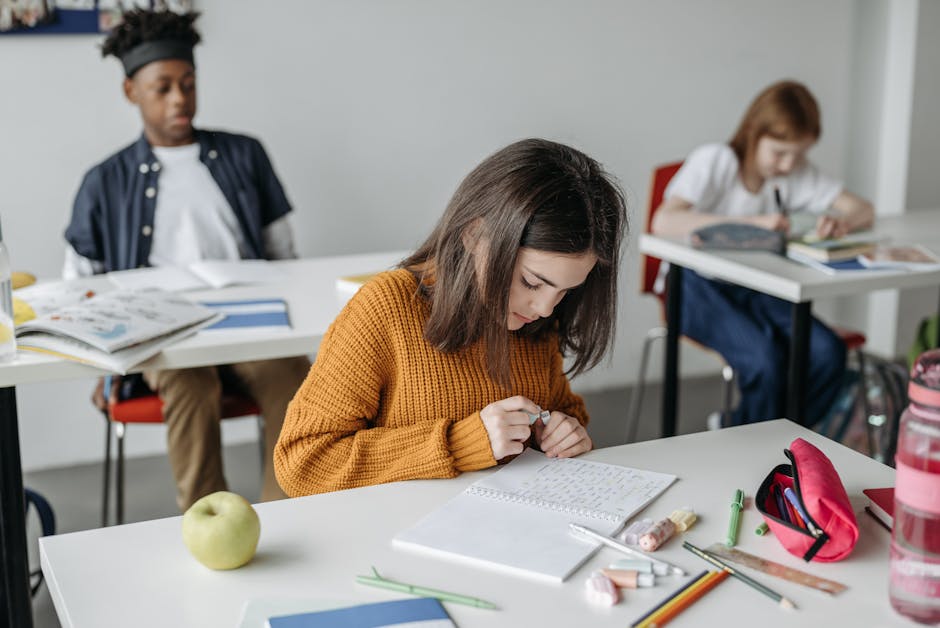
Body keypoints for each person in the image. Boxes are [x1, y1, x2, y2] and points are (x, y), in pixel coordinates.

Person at [275, 138, 627, 496]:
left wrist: (564, 433)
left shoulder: (534, 318)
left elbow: (559, 410)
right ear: (476, 236)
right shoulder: (387, 306)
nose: (546, 308)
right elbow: (303, 463)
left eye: (565, 291)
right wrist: (462, 443)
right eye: (531, 282)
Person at [62, 8, 310, 510]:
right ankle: (208, 521)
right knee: (190, 384)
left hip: (247, 323)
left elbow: (285, 257)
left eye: (189, 84)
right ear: (132, 91)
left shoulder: (246, 154)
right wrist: (100, 370)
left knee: (291, 379)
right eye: (163, 87)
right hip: (160, 334)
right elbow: (78, 286)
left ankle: (288, 511)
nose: (180, 98)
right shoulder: (103, 181)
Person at [651, 79, 875, 427]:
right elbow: (664, 220)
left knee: (827, 353)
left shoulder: (795, 174)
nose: (788, 165)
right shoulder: (717, 160)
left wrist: (840, 222)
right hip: (694, 286)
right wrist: (751, 223)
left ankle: (767, 433)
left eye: (798, 154)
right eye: (780, 152)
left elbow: (863, 209)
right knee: (764, 361)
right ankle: (750, 438)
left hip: (755, 285)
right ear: (754, 132)